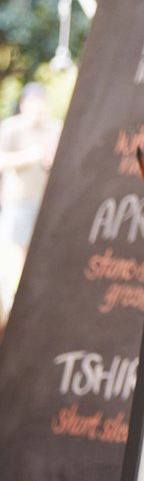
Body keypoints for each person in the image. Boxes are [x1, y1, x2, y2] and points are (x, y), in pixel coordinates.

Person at [0, 82, 62, 313]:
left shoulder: (54, 128)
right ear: (24, 104)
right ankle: (19, 302)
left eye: (42, 101)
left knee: (41, 252)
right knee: (16, 255)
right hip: (18, 201)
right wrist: (30, 157)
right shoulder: (11, 128)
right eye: (34, 102)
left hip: (46, 202)